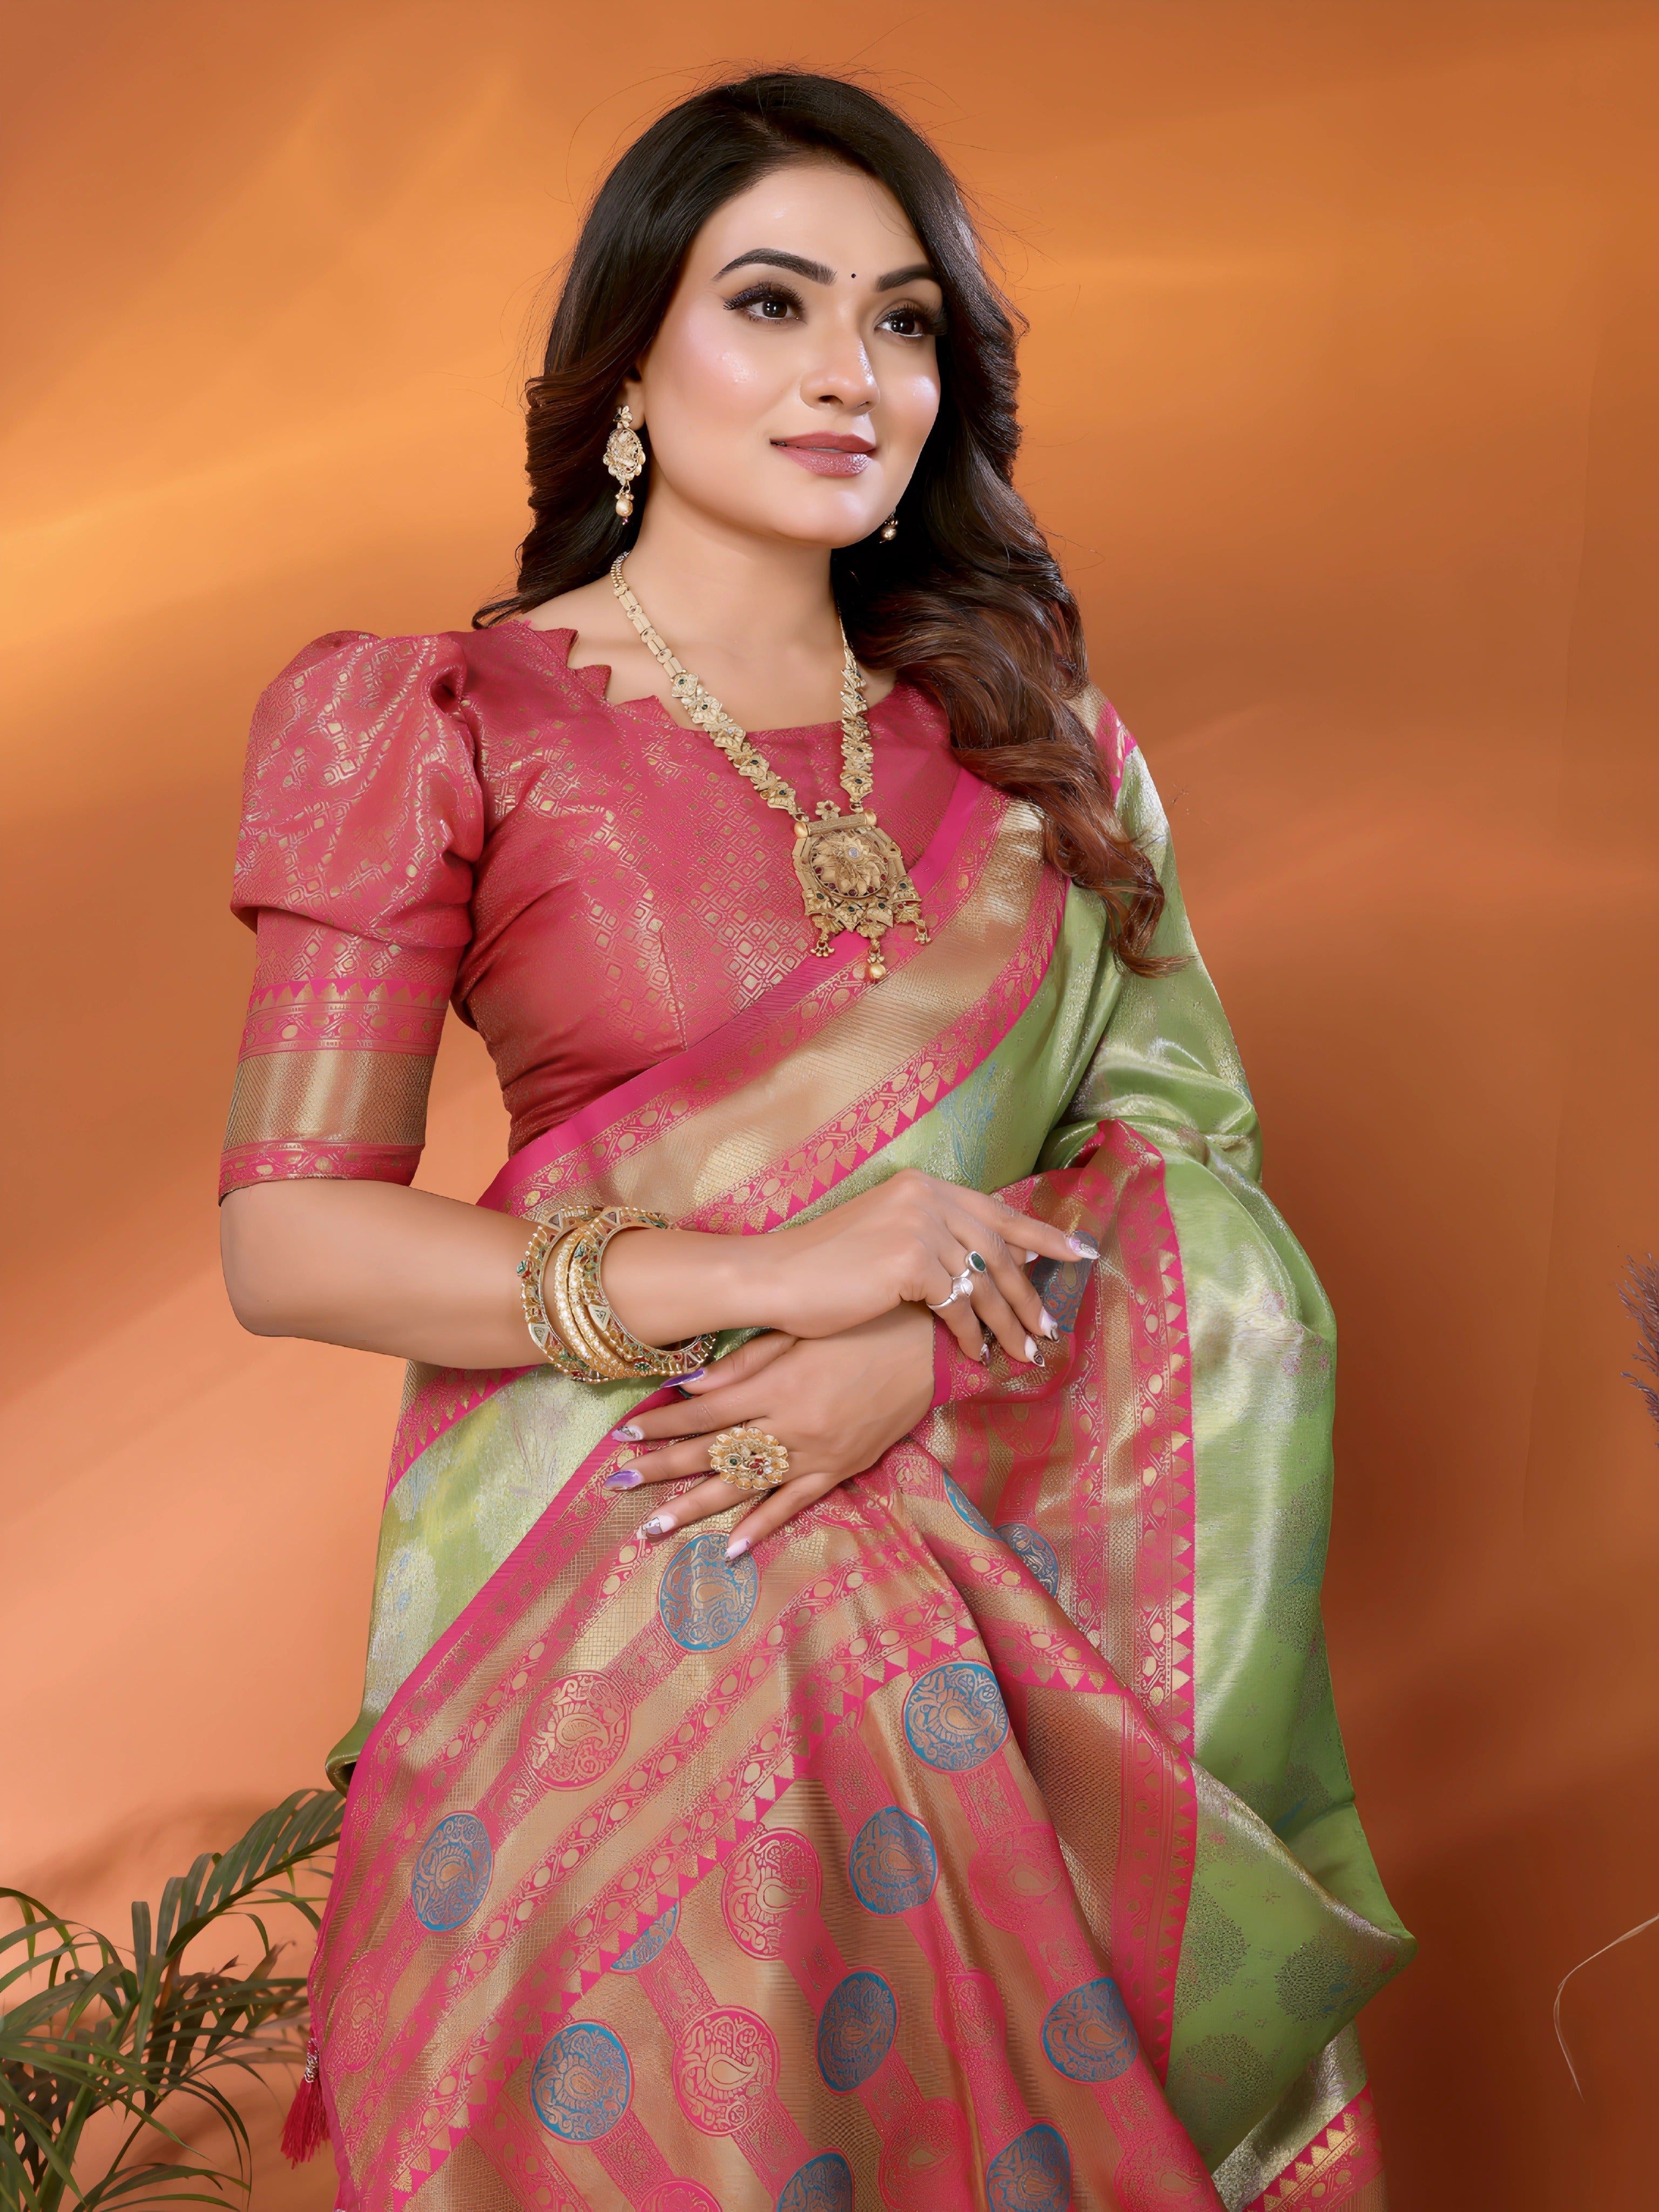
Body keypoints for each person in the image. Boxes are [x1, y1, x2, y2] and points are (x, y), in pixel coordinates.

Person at [220, 71, 1411, 2212]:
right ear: (629, 370)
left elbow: (1194, 1181)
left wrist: (920, 1353)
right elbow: (289, 1240)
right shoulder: (436, 723)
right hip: (609, 1628)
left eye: (907, 323)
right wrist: (754, 1279)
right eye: (772, 305)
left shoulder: (1046, 753)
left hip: (992, 1649)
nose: (851, 374)